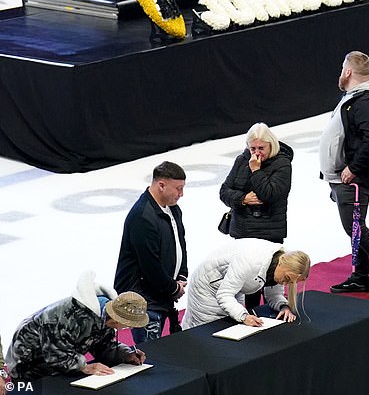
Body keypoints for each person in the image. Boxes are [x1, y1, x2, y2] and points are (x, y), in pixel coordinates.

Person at [319, 51, 369, 300]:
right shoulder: (354, 98)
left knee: (356, 229)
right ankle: (360, 276)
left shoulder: (365, 102)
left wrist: (354, 168)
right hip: (343, 177)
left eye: (342, 68)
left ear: (348, 71)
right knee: (354, 227)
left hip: (354, 178)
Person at [6, 272, 148, 382]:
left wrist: (126, 355)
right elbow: (55, 353)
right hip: (28, 365)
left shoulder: (104, 314)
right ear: (117, 320)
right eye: (130, 324)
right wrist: (84, 367)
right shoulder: (69, 318)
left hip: (55, 363)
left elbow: (102, 345)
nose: (130, 328)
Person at [219, 122, 293, 309]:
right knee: (245, 282)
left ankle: (275, 309)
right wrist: (243, 198)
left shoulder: (282, 164)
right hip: (242, 232)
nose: (257, 153)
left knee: (269, 278)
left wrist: (256, 171)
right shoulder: (241, 160)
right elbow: (224, 191)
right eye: (253, 148)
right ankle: (246, 314)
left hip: (269, 232)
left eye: (261, 148)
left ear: (271, 145)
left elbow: (270, 194)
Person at [114, 161, 188, 343]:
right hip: (144, 300)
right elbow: (150, 266)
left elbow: (180, 244)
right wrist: (172, 288)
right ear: (161, 185)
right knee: (150, 354)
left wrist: (182, 276)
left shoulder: (173, 209)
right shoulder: (143, 216)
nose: (181, 194)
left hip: (160, 294)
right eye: (178, 189)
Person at [182, 239, 310, 328]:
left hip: (235, 286)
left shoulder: (281, 263)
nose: (286, 283)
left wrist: (283, 306)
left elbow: (274, 293)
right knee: (207, 330)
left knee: (230, 326)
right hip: (208, 286)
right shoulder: (250, 261)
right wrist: (244, 316)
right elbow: (224, 295)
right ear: (282, 263)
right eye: (287, 278)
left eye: (291, 282)